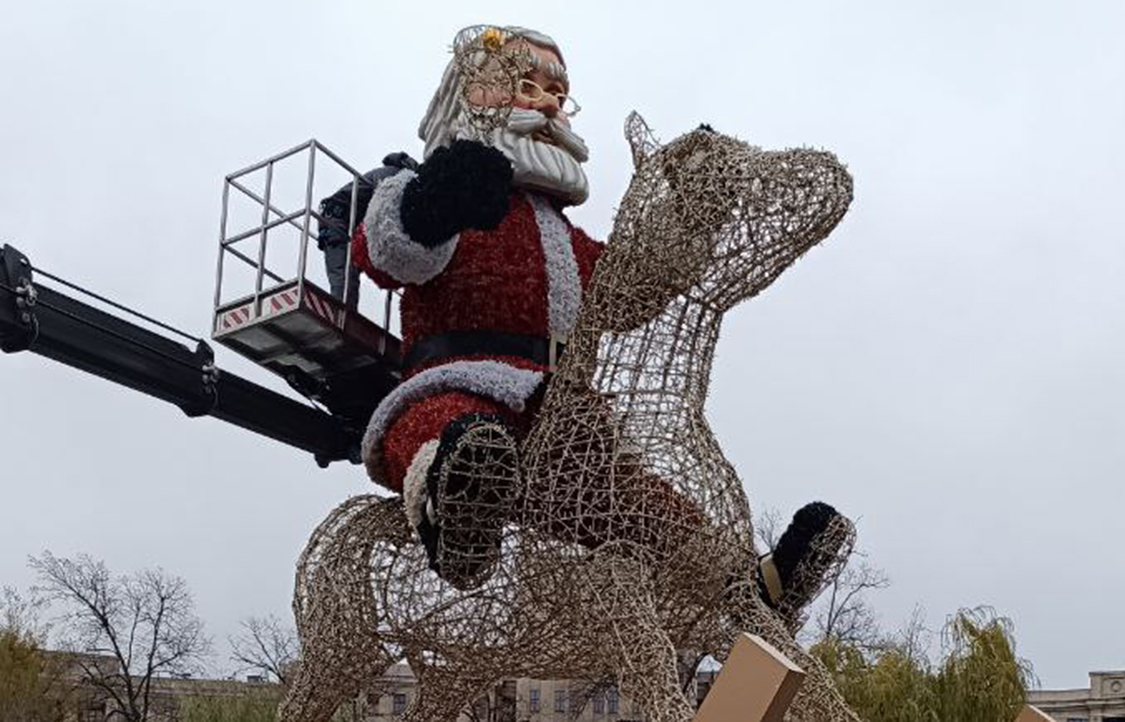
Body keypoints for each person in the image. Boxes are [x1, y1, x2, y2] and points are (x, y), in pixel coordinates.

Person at [350, 26, 844, 605]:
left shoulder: (565, 237)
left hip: (564, 411)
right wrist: (435, 200)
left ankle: (743, 582)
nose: (547, 105)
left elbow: (627, 291)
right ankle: (452, 508)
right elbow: (386, 251)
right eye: (523, 85)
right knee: (438, 424)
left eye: (557, 93)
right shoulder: (435, 190)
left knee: (631, 495)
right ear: (467, 95)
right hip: (462, 380)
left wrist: (689, 218)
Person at [316, 152, 418, 308]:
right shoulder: (391, 176)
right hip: (337, 221)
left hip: (345, 223)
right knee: (345, 278)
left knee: (351, 277)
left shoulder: (389, 175)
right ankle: (341, 317)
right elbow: (386, 208)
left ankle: (344, 316)